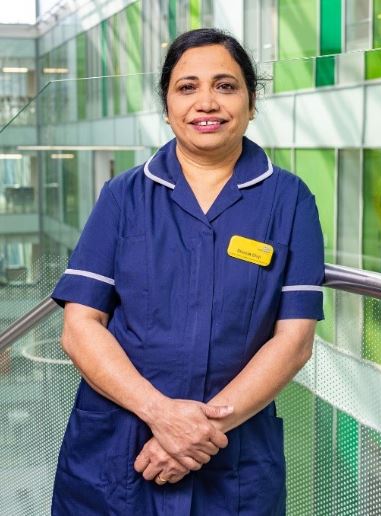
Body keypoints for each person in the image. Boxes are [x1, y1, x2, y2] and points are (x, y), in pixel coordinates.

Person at [51, 28, 325, 515]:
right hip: (119, 447)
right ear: (167, 105)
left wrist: (199, 431)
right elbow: (79, 327)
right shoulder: (123, 196)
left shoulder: (290, 200)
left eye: (225, 85)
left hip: (232, 456)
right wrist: (160, 414)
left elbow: (294, 341)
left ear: (251, 101)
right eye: (187, 87)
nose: (207, 102)